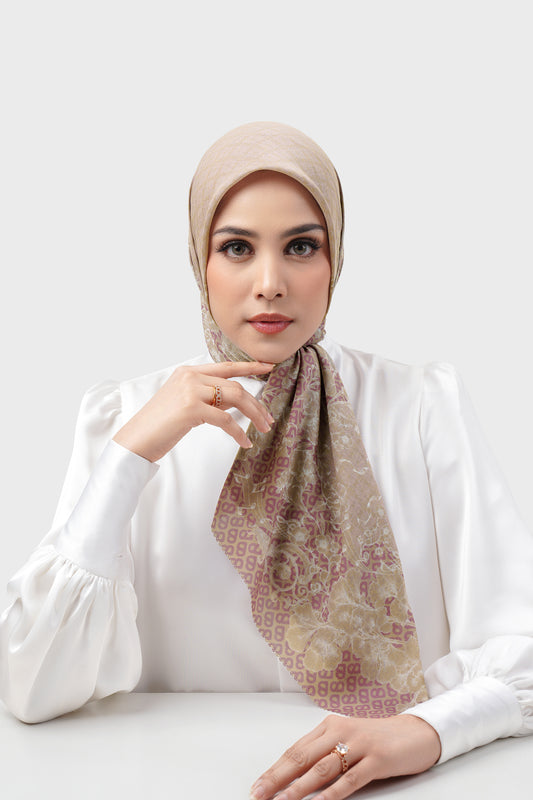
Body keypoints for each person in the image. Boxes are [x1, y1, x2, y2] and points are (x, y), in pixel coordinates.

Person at [1, 122, 532, 800]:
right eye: (236, 248)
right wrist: (131, 454)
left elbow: (521, 647)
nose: (270, 284)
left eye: (301, 246)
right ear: (199, 260)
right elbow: (32, 682)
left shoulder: (421, 406)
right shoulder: (124, 414)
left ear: (335, 258)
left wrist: (427, 731)